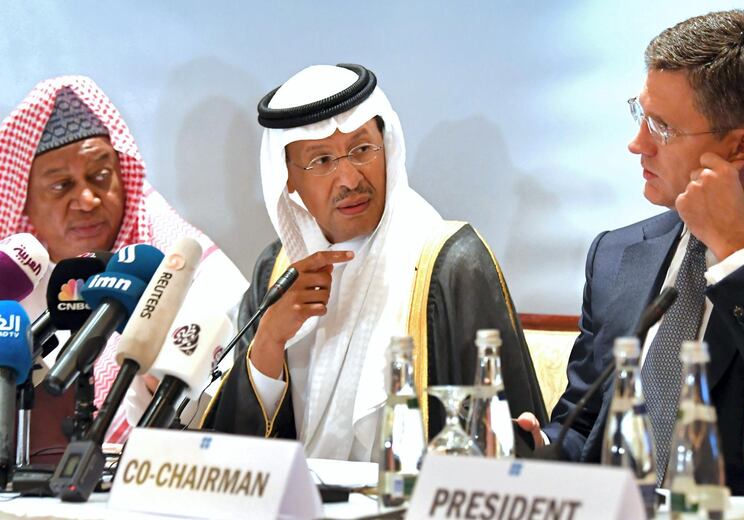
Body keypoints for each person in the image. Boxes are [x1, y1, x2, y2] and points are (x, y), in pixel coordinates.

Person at [202, 63, 547, 461]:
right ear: (288, 178)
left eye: (362, 149)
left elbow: (512, 444)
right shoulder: (277, 272)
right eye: (322, 161)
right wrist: (269, 340)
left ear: (389, 148)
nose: (348, 178)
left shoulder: (452, 264)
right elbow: (229, 458)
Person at [517, 10, 744, 496]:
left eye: (663, 127)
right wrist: (540, 447)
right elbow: (583, 430)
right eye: (640, 114)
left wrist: (736, 251)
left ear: (740, 147)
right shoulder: (616, 254)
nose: (637, 144)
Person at [0, 76, 248, 446]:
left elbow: (237, 404)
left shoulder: (179, 262)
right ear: (23, 201)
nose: (87, 199)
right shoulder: (12, 273)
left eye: (101, 176)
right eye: (60, 186)